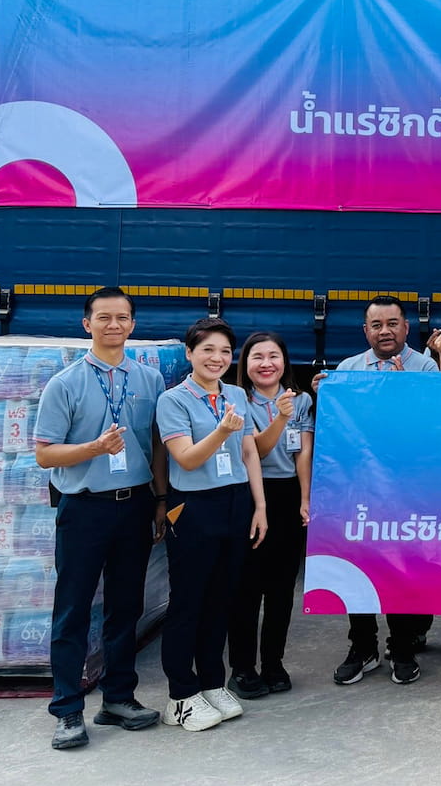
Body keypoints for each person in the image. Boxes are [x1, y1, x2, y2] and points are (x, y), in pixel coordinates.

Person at [34, 287, 168, 750]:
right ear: (86, 324)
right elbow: (45, 454)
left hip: (134, 506)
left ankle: (119, 698)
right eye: (104, 317)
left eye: (122, 318)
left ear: (133, 324)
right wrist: (94, 448)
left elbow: (156, 445)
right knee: (72, 609)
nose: (114, 325)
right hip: (85, 508)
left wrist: (159, 500)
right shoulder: (65, 383)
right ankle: (67, 709)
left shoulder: (150, 379)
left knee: (125, 607)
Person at [156, 318, 268, 732]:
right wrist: (221, 431)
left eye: (224, 351)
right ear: (190, 353)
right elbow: (186, 459)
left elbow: (249, 452)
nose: (217, 358)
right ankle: (180, 695)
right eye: (207, 350)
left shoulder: (235, 394)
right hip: (194, 506)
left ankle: (211, 683)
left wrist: (260, 505)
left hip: (235, 501)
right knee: (189, 601)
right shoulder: (173, 400)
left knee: (221, 599)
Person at [325, 295, 438, 686]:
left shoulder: (426, 367)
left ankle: (402, 648)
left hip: (407, 492)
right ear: (365, 331)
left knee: (401, 570)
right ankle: (363, 647)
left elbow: (435, 427)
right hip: (359, 491)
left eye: (392, 324)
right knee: (359, 567)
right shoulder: (347, 370)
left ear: (406, 327)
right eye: (377, 325)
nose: (385, 331)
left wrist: (407, 393)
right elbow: (339, 434)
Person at [226, 331, 313, 699]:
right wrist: (279, 417)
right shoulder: (236, 400)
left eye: (273, 356)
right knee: (246, 587)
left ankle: (274, 663)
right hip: (250, 495)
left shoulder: (301, 400)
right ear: (245, 364)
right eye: (257, 357)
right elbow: (255, 453)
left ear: (284, 361)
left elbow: (303, 452)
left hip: (287, 494)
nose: (266, 364)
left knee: (281, 589)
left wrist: (305, 498)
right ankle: (242, 668)